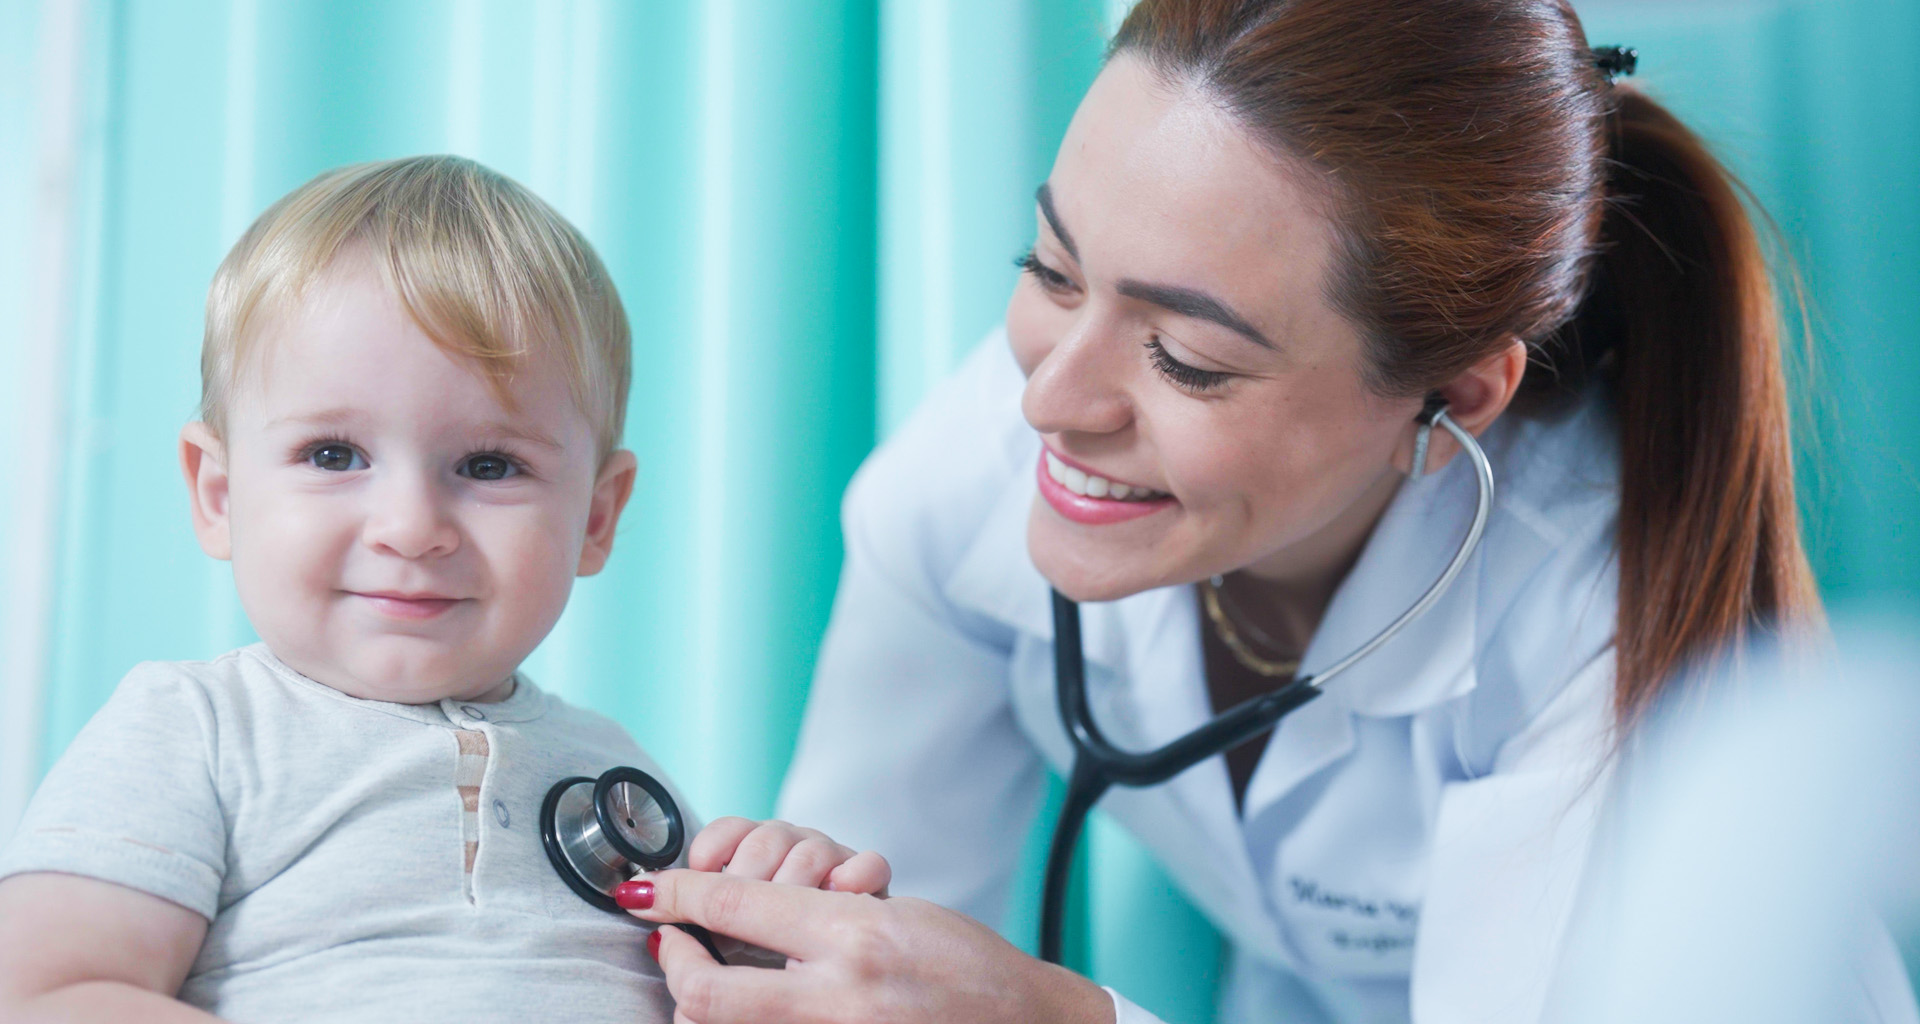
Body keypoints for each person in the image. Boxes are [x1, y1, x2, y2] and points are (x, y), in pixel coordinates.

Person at [614, 1, 1920, 1022]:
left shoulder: (1589, 620)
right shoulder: (957, 489)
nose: (1052, 404)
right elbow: (852, 951)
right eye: (1050, 270)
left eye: (1188, 359)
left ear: (1455, 395)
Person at [0, 156, 887, 1023]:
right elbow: (49, 994)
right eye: (334, 455)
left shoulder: (618, 778)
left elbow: (711, 994)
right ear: (220, 494)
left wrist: (770, 947)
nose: (411, 525)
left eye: (489, 465)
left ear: (594, 518)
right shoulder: (195, 728)